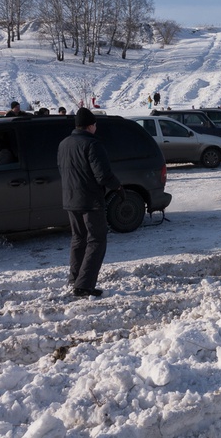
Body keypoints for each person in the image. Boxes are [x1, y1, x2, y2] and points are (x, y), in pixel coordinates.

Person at [57, 107, 123, 298]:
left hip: (70, 199)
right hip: (91, 200)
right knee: (97, 240)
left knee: (78, 239)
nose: (96, 127)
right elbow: (103, 175)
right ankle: (84, 285)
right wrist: (118, 187)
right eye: (95, 124)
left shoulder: (64, 144)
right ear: (90, 125)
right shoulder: (93, 145)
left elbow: (62, 170)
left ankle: (75, 279)